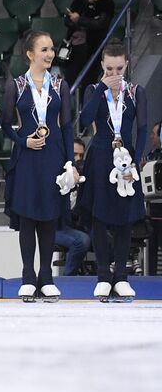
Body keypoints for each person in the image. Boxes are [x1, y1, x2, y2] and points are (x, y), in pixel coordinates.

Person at [3, 29, 73, 302]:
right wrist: (23, 142)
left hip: (53, 155)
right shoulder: (16, 86)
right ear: (30, 54)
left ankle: (47, 277)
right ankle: (28, 276)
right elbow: (6, 124)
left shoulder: (60, 85)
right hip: (27, 157)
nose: (50, 54)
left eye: (52, 49)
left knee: (48, 218)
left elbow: (66, 126)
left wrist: (70, 162)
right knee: (29, 218)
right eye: (44, 50)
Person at [76, 42, 148, 301]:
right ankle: (103, 275)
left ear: (126, 65)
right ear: (102, 66)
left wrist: (136, 163)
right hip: (100, 156)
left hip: (126, 156)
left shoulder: (136, 92)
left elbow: (142, 128)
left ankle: (122, 277)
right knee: (99, 217)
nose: (114, 73)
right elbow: (84, 122)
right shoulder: (94, 89)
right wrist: (103, 89)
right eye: (109, 68)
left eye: (119, 68)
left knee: (125, 218)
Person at [62, 0, 115, 87]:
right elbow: (67, 20)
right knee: (69, 81)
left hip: (93, 47)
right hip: (74, 46)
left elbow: (101, 23)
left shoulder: (106, 3)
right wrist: (73, 20)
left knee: (88, 83)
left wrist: (79, 20)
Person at [57, 138, 93, 276]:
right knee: (81, 240)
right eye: (74, 154)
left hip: (79, 226)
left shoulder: (86, 178)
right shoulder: (58, 176)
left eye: (81, 156)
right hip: (56, 227)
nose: (78, 159)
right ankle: (68, 279)